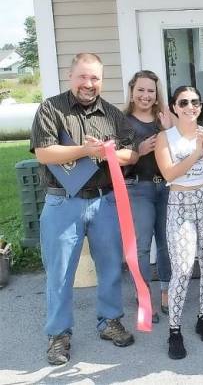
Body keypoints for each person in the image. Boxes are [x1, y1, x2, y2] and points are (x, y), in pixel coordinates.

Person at [31, 52, 137, 366]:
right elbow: (43, 152)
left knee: (110, 266)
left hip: (104, 201)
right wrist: (86, 150)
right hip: (63, 202)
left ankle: (109, 322)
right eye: (83, 77)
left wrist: (109, 155)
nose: (89, 84)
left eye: (95, 78)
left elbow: (130, 153)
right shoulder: (51, 108)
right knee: (60, 273)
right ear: (70, 76)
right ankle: (59, 335)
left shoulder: (113, 115)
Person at [155, 86, 203, 360]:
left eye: (195, 102)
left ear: (201, 105)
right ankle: (174, 330)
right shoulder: (165, 138)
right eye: (183, 102)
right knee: (183, 268)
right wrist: (197, 152)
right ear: (174, 107)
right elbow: (170, 174)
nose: (190, 106)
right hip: (180, 203)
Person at [123, 70, 173, 324]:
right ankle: (143, 297)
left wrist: (168, 131)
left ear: (156, 95)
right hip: (137, 189)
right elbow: (116, 164)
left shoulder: (163, 119)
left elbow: (179, 153)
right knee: (142, 246)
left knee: (167, 243)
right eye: (140, 90)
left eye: (150, 91)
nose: (145, 95)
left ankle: (166, 292)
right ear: (132, 91)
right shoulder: (122, 121)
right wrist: (138, 151)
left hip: (165, 187)